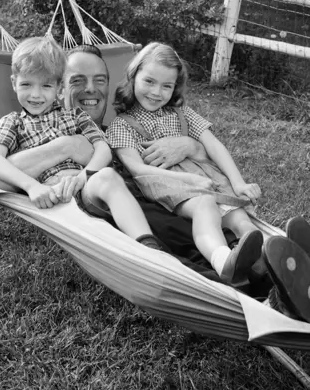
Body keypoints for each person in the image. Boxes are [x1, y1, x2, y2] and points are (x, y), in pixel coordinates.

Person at [0, 43, 310, 327]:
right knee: (254, 265)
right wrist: (66, 148)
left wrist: (188, 151)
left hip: (209, 221)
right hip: (170, 256)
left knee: (267, 246)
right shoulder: (81, 144)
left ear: (115, 84)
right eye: (74, 81)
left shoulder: (107, 131)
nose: (88, 90)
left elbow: (194, 144)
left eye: (99, 80)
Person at [0, 36, 168, 252]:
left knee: (106, 177)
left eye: (46, 85)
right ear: (14, 83)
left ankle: (147, 245)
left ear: (59, 87)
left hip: (84, 188)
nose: (36, 94)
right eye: (26, 84)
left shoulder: (75, 116)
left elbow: (103, 149)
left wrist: (82, 177)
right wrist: (31, 186)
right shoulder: (11, 123)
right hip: (52, 198)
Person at [107, 42, 268, 286]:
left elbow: (214, 146)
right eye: (149, 81)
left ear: (175, 87)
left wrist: (238, 183)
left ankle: (265, 262)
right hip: (169, 184)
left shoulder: (183, 114)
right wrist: (189, 180)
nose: (156, 92)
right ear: (133, 76)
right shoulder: (122, 125)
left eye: (166, 86)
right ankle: (222, 260)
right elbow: (138, 170)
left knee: (240, 219)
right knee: (205, 205)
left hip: (206, 176)